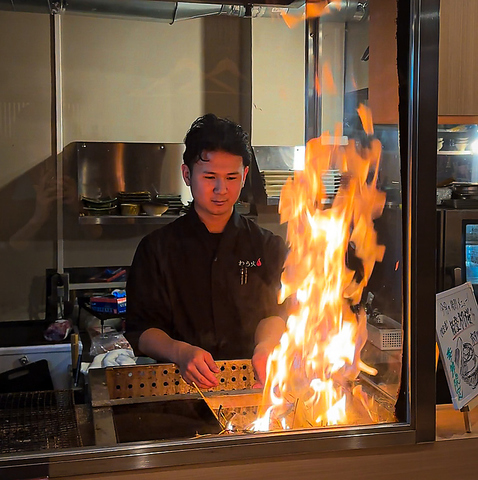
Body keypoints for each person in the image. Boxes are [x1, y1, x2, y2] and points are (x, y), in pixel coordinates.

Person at [126, 113, 287, 389]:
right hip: (177, 392)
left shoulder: (267, 245)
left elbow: (276, 313)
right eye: (209, 176)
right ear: (187, 174)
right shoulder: (156, 249)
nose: (220, 189)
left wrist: (266, 346)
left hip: (253, 388)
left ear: (245, 176)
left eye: (232, 177)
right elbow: (142, 330)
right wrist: (180, 352)